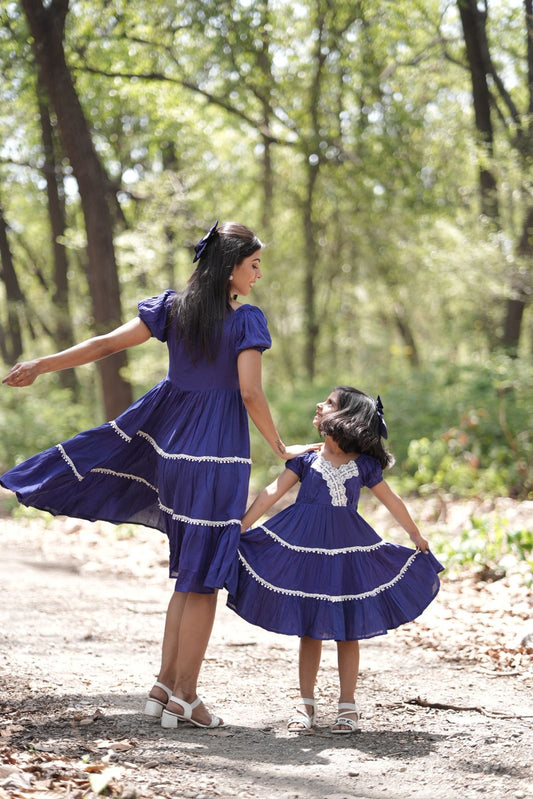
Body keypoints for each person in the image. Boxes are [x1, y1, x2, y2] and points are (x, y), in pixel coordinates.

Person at [1, 220, 317, 730]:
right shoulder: (246, 321)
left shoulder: (173, 310)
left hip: (173, 457)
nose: (258, 275)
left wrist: (41, 364)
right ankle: (186, 697)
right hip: (216, 460)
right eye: (253, 264)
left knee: (188, 576)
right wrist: (281, 447)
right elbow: (251, 393)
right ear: (231, 267)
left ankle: (163, 687)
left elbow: (105, 345)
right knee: (206, 579)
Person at [227, 386, 444, 734]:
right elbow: (272, 492)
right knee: (309, 628)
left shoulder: (365, 466)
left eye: (329, 403)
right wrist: (242, 526)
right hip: (304, 546)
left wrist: (415, 535)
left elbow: (391, 500)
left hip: (347, 549)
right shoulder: (305, 460)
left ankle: (347, 705)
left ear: (346, 418)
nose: (319, 404)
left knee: (347, 628)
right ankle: (305, 704)